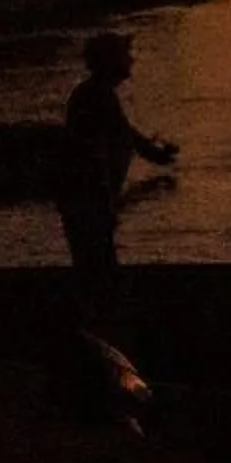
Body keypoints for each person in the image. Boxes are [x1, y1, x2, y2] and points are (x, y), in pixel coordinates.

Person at [58, 31, 176, 278]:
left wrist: (156, 155)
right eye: (125, 55)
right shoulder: (98, 95)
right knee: (98, 266)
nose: (131, 61)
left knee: (94, 263)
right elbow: (121, 135)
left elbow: (126, 133)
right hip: (90, 199)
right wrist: (156, 154)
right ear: (110, 61)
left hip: (90, 199)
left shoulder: (95, 93)